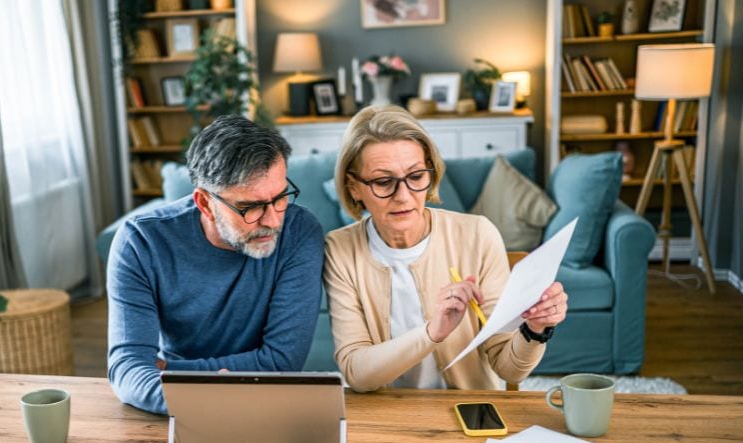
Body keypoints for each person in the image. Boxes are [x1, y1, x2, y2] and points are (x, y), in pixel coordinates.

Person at [324, 105, 568, 392]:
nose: (403, 196)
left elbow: (510, 370)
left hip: (468, 411)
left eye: (416, 177)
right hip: (386, 415)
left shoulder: (477, 235)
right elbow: (357, 373)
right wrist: (432, 332)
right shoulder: (339, 249)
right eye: (383, 182)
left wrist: (536, 329)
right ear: (354, 187)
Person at [107, 115, 324, 413]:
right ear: (205, 203)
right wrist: (202, 395)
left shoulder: (300, 232)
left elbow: (281, 362)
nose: (273, 221)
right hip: (173, 412)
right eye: (250, 207)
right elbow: (127, 368)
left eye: (280, 198)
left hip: (265, 403)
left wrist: (173, 371)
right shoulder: (141, 242)